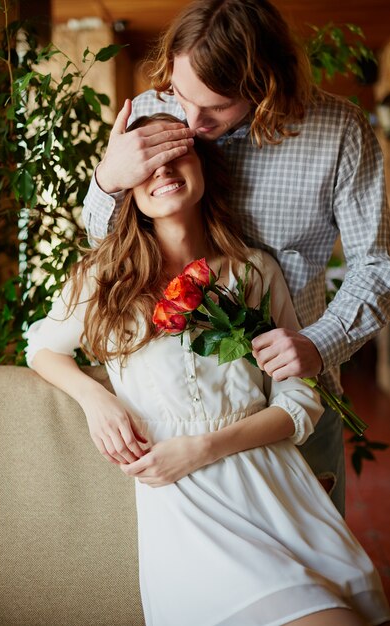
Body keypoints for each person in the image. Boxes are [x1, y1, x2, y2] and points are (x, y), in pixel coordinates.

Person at [25, 113, 390, 626]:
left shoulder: (254, 270)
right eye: (147, 162)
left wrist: (201, 448)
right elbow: (41, 346)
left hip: (273, 484)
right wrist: (95, 400)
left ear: (202, 167)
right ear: (127, 187)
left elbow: (300, 399)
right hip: (185, 508)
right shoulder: (104, 275)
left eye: (177, 154)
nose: (164, 170)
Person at [81, 0, 390, 516]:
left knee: (313, 565)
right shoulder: (153, 112)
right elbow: (106, 244)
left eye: (218, 107)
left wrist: (318, 344)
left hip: (293, 402)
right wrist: (107, 180)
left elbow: (376, 266)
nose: (194, 122)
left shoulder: (340, 131)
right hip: (178, 417)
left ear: (267, 84)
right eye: (182, 94)